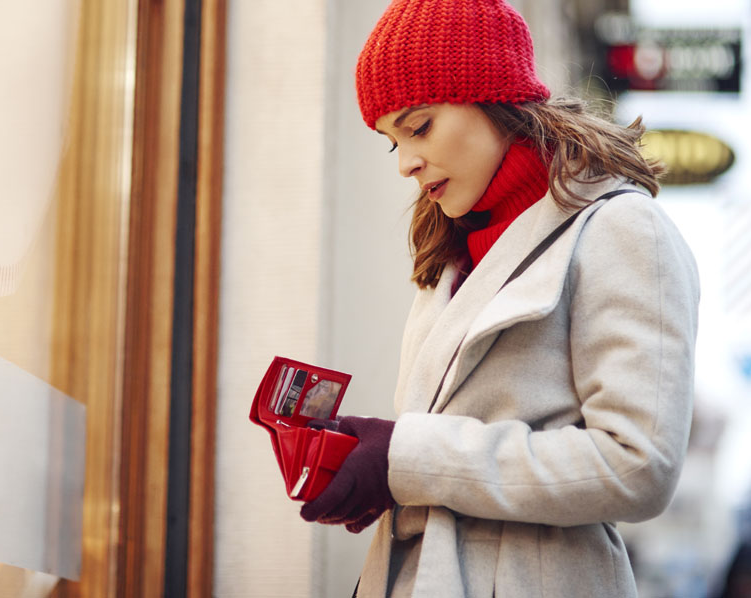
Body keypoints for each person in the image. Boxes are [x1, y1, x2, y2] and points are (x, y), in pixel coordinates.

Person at [297, 0, 701, 596]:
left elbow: (637, 466)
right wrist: (373, 463)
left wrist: (403, 459)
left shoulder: (622, 229)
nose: (406, 163)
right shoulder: (456, 250)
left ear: (494, 100)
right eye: (391, 142)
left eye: (419, 125)